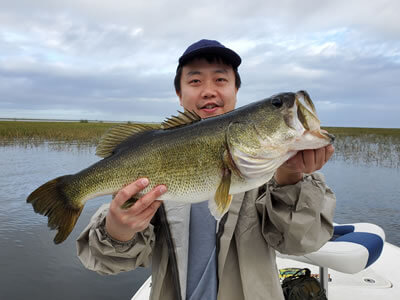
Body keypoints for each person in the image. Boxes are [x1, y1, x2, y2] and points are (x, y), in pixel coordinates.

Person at [77, 39, 336, 300]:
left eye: (221, 80)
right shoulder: (149, 160)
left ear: (236, 90)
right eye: (195, 81)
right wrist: (118, 231)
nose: (209, 91)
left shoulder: (274, 172)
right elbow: (106, 262)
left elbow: (302, 242)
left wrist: (291, 177)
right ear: (179, 94)